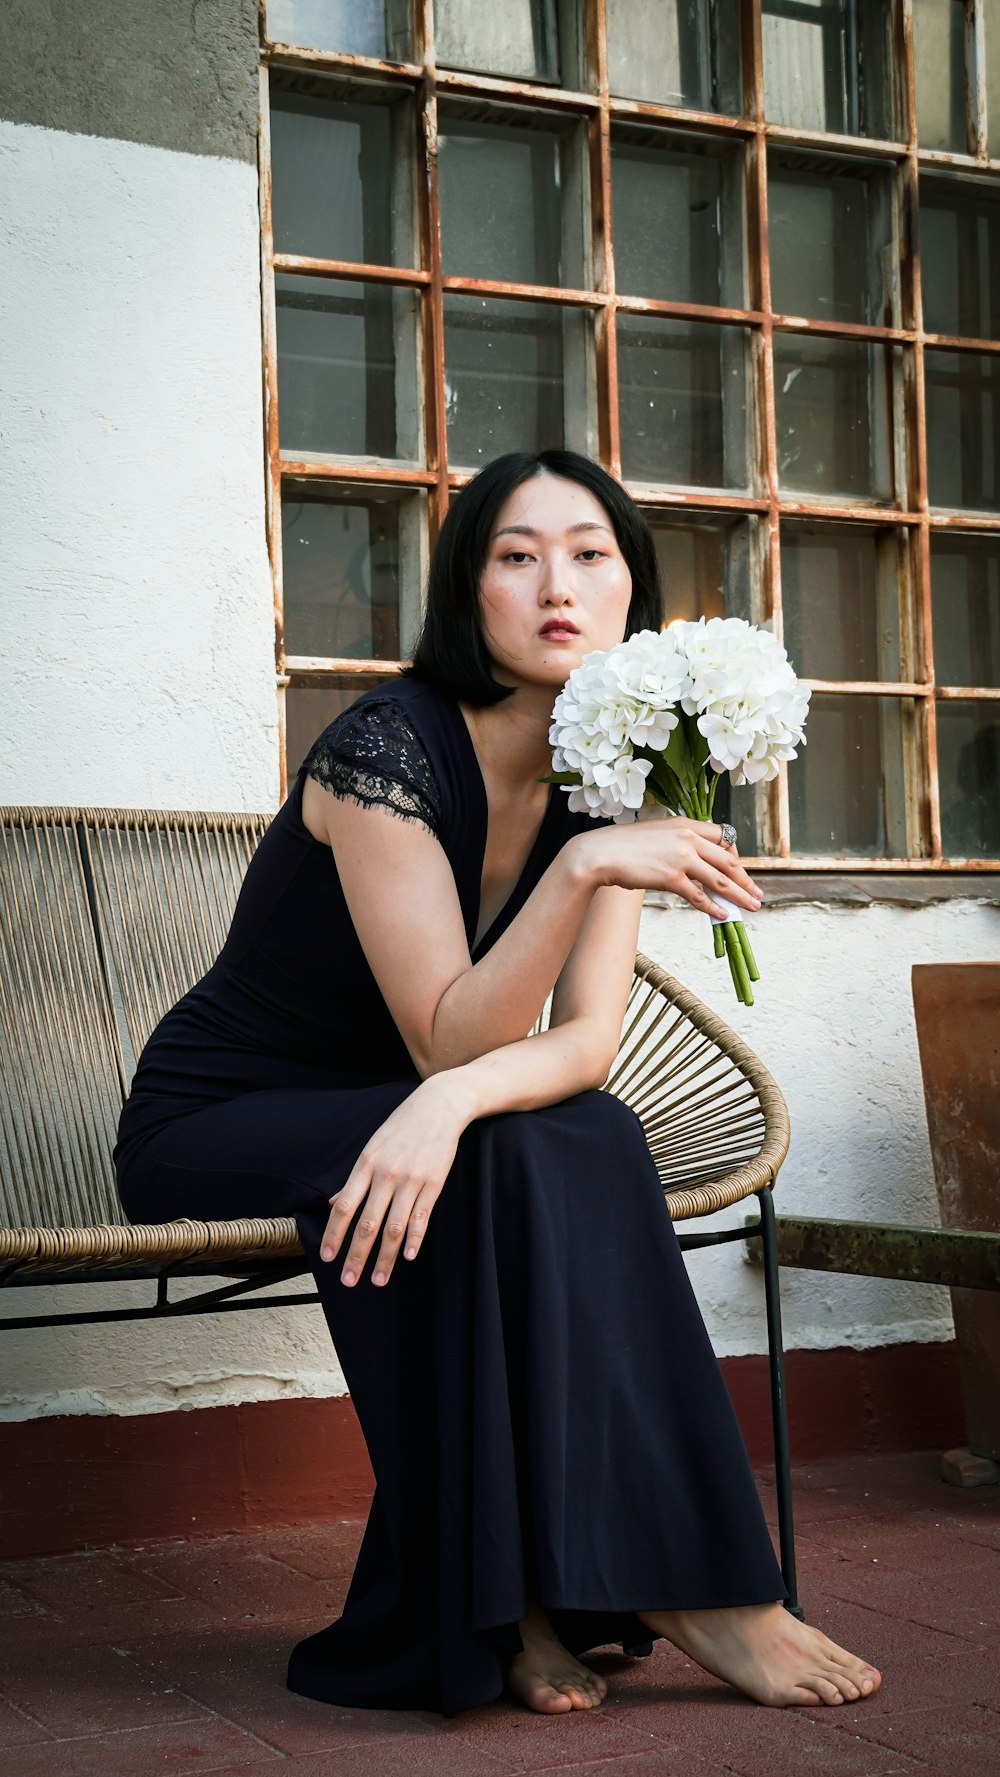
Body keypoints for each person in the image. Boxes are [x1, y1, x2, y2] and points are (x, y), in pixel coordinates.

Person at [115, 450, 882, 1720]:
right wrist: (583, 881)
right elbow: (446, 1037)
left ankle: (569, 1594)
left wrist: (447, 1103)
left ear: (632, 590)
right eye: (515, 556)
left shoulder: (611, 773)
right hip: (221, 1113)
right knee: (512, 1143)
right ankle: (637, 1592)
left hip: (409, 1108)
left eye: (590, 554)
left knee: (573, 1130)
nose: (556, 586)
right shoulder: (384, 752)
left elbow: (579, 1046)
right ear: (467, 593)